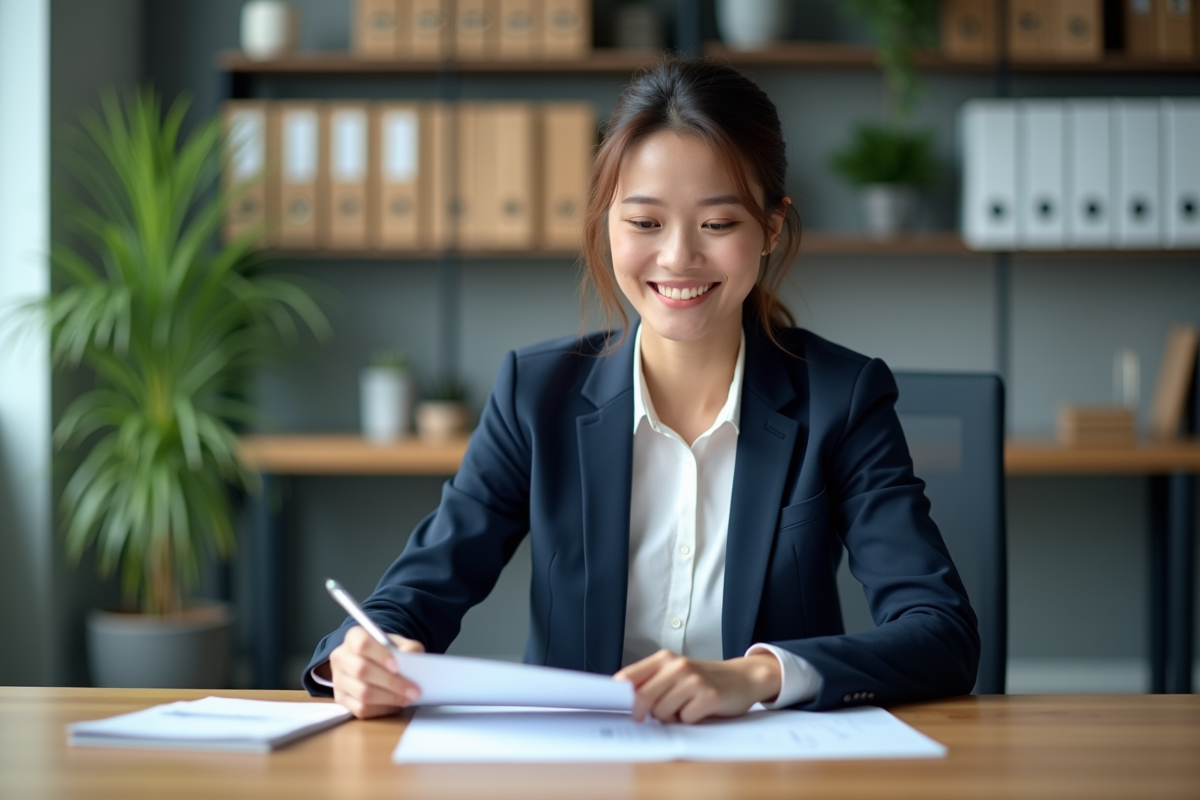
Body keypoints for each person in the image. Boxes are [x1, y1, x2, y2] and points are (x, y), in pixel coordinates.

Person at [303, 58, 979, 724]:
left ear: (772, 227)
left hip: (771, 770)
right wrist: (358, 657)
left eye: (718, 224)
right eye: (646, 223)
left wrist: (756, 675)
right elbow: (413, 595)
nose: (678, 257)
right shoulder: (534, 396)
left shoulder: (844, 397)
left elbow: (941, 632)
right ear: (605, 220)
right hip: (581, 770)